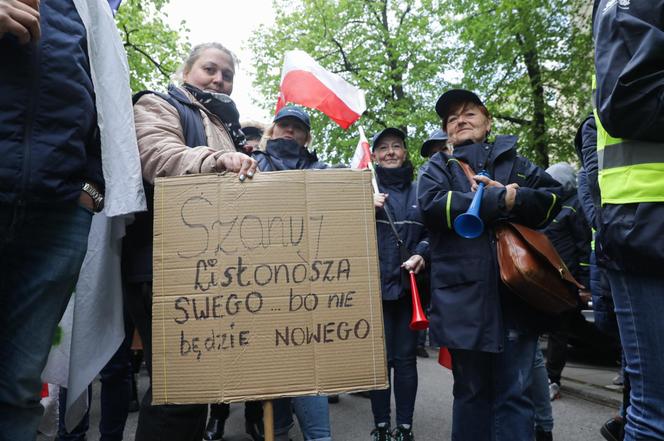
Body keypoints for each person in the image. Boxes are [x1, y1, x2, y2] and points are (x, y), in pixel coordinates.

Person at [0, 1, 145, 440]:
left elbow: (103, 97)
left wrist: (91, 189)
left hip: (57, 214)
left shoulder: (90, 9)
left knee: (19, 385)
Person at [123, 42, 257, 441]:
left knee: (195, 389)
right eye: (209, 69)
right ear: (186, 72)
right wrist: (214, 160)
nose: (218, 79)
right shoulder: (157, 105)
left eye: (227, 74)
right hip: (164, 264)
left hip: (212, 269)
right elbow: (157, 155)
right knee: (179, 390)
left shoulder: (226, 129)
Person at [417, 89, 562, 441]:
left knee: (516, 396)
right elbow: (433, 206)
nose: (460, 121)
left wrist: (518, 196)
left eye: (469, 113)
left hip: (516, 296)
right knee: (470, 396)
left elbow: (554, 199)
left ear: (487, 120)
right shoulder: (438, 166)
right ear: (447, 131)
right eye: (452, 118)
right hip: (463, 302)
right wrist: (500, 198)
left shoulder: (517, 162)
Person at [594, 3, 664, 439]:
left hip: (643, 221)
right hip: (648, 222)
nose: (462, 123)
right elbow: (630, 100)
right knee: (656, 415)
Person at [251, 106, 332, 441]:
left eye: (296, 128)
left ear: (306, 137)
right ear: (272, 130)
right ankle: (279, 432)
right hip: (259, 284)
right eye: (283, 125)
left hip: (308, 284)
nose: (289, 131)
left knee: (307, 363)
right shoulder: (252, 165)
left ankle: (319, 437)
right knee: (271, 366)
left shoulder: (322, 170)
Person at [203, 118, 267, 441]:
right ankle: (218, 416)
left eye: (257, 137)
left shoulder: (267, 168)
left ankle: (255, 417)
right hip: (226, 271)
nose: (252, 143)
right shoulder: (224, 162)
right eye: (248, 137)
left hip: (263, 275)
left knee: (256, 355)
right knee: (225, 351)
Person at [369, 128, 429, 441]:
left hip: (409, 292)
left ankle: (404, 428)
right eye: (383, 148)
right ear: (374, 155)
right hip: (373, 292)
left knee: (405, 362)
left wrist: (422, 254)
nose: (390, 152)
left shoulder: (421, 190)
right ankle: (380, 427)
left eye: (396, 146)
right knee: (379, 364)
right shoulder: (363, 190)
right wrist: (364, 208)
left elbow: (434, 234)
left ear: (404, 153)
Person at [540, 163, 592, 401]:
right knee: (546, 327)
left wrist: (584, 283)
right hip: (545, 278)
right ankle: (540, 377)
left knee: (559, 331)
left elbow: (583, 245)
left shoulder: (575, 204)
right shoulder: (550, 203)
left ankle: (552, 380)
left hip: (567, 278)